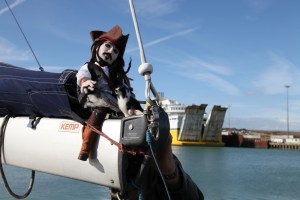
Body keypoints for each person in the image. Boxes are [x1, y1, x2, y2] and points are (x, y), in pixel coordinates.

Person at [76, 25, 142, 161]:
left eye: (116, 51)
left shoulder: (116, 73)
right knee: (99, 112)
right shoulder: (89, 66)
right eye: (107, 46)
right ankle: (85, 148)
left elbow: (122, 88)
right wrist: (84, 82)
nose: (111, 51)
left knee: (132, 109)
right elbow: (82, 76)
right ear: (98, 47)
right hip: (94, 98)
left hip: (112, 99)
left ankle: (137, 144)